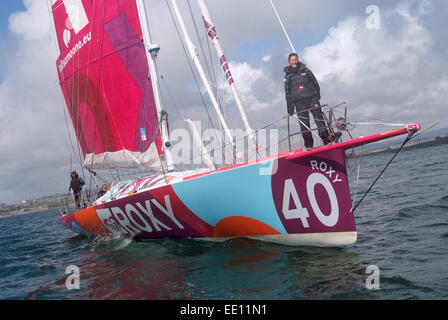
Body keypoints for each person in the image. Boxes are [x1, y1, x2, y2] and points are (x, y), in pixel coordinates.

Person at [284, 53, 341, 149]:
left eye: (295, 59)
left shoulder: (306, 71)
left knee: (319, 119)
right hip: (299, 102)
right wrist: (290, 110)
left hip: (312, 98)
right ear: (289, 62)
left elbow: (315, 83)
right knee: (304, 123)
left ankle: (326, 140)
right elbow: (287, 93)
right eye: (292, 60)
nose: (294, 61)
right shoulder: (288, 76)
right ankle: (309, 145)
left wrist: (317, 96)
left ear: (298, 60)